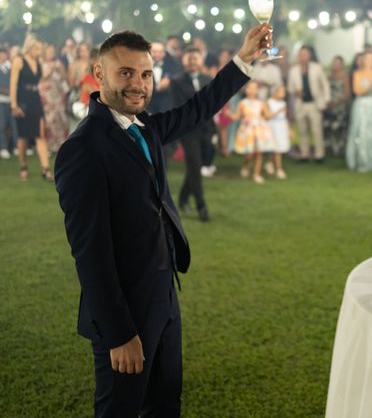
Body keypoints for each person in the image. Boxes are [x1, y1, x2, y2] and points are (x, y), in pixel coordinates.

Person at [54, 26, 268, 417]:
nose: (138, 84)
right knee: (120, 409)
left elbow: (198, 108)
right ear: (99, 75)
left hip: (164, 295)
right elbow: (90, 255)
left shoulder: (146, 127)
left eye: (146, 74)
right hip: (123, 310)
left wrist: (244, 58)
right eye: (126, 73)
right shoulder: (81, 150)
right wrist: (120, 334)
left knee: (165, 404)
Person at [170, 47, 215, 222]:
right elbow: (178, 108)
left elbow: (212, 104)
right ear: (184, 61)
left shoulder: (207, 79)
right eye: (189, 58)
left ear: (200, 60)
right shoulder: (177, 82)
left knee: (197, 165)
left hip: (206, 129)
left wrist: (213, 128)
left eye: (195, 58)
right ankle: (201, 205)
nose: (192, 61)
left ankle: (182, 198)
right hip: (188, 131)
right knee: (195, 167)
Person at [9, 34, 53, 181]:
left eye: (41, 49)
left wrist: (42, 85)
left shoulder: (38, 62)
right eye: (38, 49)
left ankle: (45, 170)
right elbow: (13, 84)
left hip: (35, 101)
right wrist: (14, 105)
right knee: (23, 137)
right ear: (30, 47)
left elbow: (36, 83)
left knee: (41, 135)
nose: (39, 52)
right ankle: (23, 166)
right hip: (22, 102)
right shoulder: (18, 61)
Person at [287, 45, 330, 162]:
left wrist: (326, 100)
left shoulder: (317, 68)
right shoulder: (293, 70)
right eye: (301, 55)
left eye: (305, 54)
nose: (303, 57)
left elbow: (325, 84)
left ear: (309, 56)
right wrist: (296, 92)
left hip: (315, 104)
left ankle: (319, 155)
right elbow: (290, 89)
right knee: (302, 130)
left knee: (317, 130)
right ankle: (304, 154)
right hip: (301, 104)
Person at [228, 80, 275, 184]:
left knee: (258, 153)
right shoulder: (242, 103)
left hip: (259, 130)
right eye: (250, 88)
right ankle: (246, 165)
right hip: (247, 131)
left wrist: (272, 113)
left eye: (255, 88)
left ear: (257, 91)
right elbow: (237, 117)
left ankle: (256, 174)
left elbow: (266, 115)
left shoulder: (261, 103)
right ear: (246, 90)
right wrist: (228, 114)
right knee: (249, 153)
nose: (252, 90)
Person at [40, 43, 69, 152]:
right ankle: (49, 146)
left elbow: (64, 79)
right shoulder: (41, 64)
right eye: (49, 51)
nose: (51, 53)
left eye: (53, 51)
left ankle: (61, 145)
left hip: (58, 96)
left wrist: (60, 69)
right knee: (49, 122)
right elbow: (41, 79)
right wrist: (50, 69)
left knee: (62, 120)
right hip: (47, 98)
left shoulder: (58, 63)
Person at [325, 55, 351, 156]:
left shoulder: (345, 75)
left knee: (339, 128)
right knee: (328, 127)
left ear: (341, 65)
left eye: (338, 63)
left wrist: (337, 102)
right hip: (329, 105)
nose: (336, 65)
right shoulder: (329, 75)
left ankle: (340, 149)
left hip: (340, 106)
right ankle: (330, 148)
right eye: (334, 62)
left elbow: (347, 93)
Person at [265, 85, 290, 179]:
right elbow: (267, 116)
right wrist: (278, 112)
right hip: (273, 127)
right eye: (281, 91)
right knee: (277, 149)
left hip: (281, 127)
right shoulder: (269, 102)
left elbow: (285, 117)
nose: (283, 94)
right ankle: (279, 169)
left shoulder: (283, 103)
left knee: (278, 147)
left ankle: (270, 163)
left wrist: (288, 129)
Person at [0, 47, 18, 159]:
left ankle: (17, 147)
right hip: (1, 101)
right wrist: (8, 91)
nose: (2, 56)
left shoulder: (10, 67)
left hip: (11, 101)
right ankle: (3, 148)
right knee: (1, 126)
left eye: (3, 54)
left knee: (14, 125)